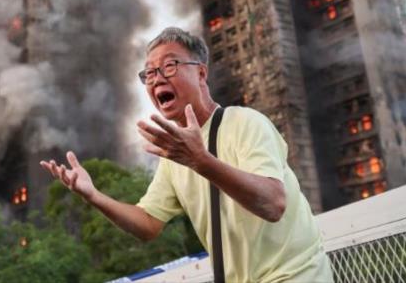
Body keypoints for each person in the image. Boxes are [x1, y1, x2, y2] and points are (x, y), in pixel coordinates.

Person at [40, 27, 334, 282]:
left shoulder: (245, 122)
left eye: (169, 66)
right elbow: (147, 225)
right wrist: (93, 195)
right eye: (150, 73)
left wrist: (200, 161)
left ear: (201, 73)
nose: (157, 79)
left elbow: (273, 203)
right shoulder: (175, 156)